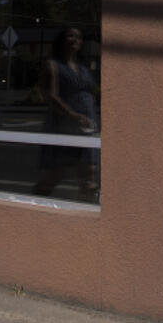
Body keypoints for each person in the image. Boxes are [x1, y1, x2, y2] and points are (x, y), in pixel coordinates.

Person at [33, 27, 99, 200]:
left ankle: (87, 216)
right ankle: (35, 204)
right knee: (55, 174)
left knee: (90, 175)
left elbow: (90, 94)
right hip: (64, 125)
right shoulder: (53, 65)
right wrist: (74, 115)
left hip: (86, 127)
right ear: (62, 40)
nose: (75, 40)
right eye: (70, 36)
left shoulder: (83, 68)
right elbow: (51, 96)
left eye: (78, 37)